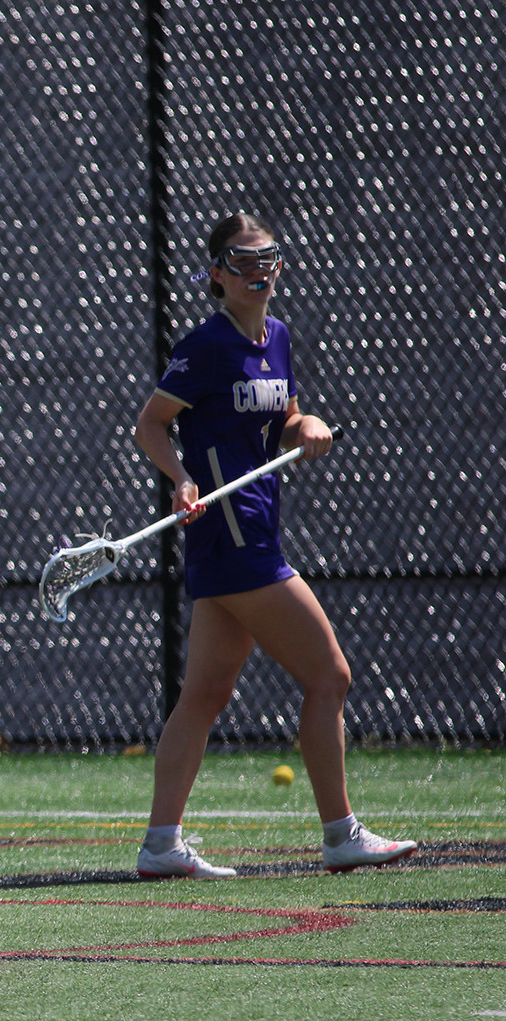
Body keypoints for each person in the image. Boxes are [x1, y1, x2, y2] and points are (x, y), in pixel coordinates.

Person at [131, 212, 417, 880]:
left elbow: (283, 420)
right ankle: (341, 833)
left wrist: (305, 424)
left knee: (204, 694)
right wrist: (180, 479)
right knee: (330, 675)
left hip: (256, 529)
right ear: (216, 274)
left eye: (268, 260)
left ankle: (160, 846)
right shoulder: (204, 347)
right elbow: (151, 424)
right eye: (242, 263)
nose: (258, 273)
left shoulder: (279, 339)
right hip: (232, 537)